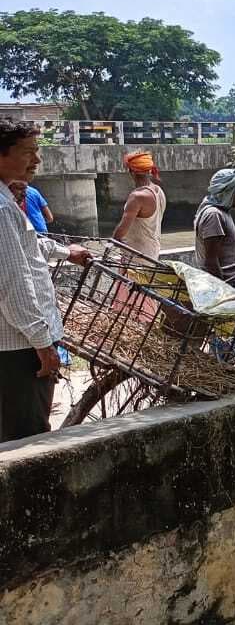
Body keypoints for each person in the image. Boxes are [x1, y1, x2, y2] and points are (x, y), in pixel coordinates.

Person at [0, 119, 92, 443]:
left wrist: (66, 252)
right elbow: (13, 282)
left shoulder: (7, 201)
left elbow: (27, 245)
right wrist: (43, 343)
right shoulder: (0, 208)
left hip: (18, 343)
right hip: (19, 348)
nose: (36, 160)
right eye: (28, 152)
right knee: (27, 440)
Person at [195, 167, 235, 295]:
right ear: (228, 191)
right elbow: (211, 260)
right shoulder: (213, 215)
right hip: (230, 284)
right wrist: (224, 292)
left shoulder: (222, 212)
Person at [111, 151, 166, 261]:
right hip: (151, 251)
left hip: (136, 255)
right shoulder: (158, 191)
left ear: (131, 172)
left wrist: (112, 241)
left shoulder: (137, 197)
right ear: (149, 171)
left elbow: (122, 229)